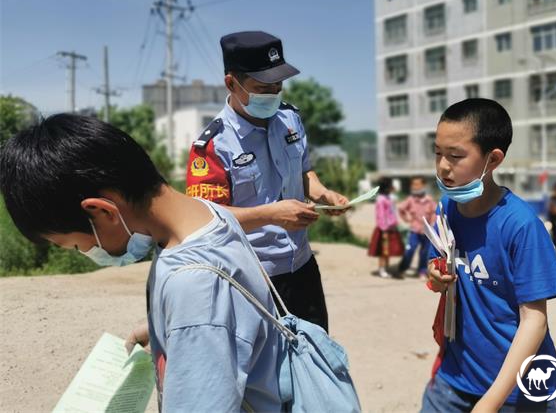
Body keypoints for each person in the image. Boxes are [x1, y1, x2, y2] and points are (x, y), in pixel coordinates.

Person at [0, 114, 282, 411]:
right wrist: (163, 325)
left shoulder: (194, 288)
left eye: (72, 245)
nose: (81, 251)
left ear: (102, 212)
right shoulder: (204, 213)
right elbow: (228, 311)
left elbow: (204, 307)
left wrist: (190, 321)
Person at [185, 31, 348, 333]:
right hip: (252, 278)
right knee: (266, 376)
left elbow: (304, 172)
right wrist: (271, 215)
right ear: (231, 83)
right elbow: (206, 221)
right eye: (262, 88)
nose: (273, 94)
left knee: (319, 362)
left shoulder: (290, 119)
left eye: (278, 85)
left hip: (302, 268)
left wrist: (324, 194)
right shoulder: (213, 146)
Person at [424, 98, 556, 412]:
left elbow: (535, 320)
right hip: (454, 379)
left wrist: (491, 401)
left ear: (493, 159)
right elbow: (434, 267)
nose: (443, 166)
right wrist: (435, 276)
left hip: (518, 391)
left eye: (456, 156)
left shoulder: (521, 225)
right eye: (437, 153)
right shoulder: (446, 209)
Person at [397, 176, 437, 278]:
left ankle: (422, 271)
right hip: (414, 230)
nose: (415, 186)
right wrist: (406, 219)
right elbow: (401, 209)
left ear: (423, 185)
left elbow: (434, 213)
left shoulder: (429, 200)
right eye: (413, 184)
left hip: (427, 232)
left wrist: (432, 224)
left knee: (424, 252)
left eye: (417, 184)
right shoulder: (411, 200)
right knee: (410, 249)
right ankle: (402, 268)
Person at [367, 177, 404, 279]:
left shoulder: (389, 198)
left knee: (389, 250)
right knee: (383, 251)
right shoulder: (381, 200)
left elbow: (392, 211)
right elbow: (380, 215)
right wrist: (384, 229)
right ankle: (381, 269)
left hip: (391, 227)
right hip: (384, 229)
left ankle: (386, 268)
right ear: (387, 187)